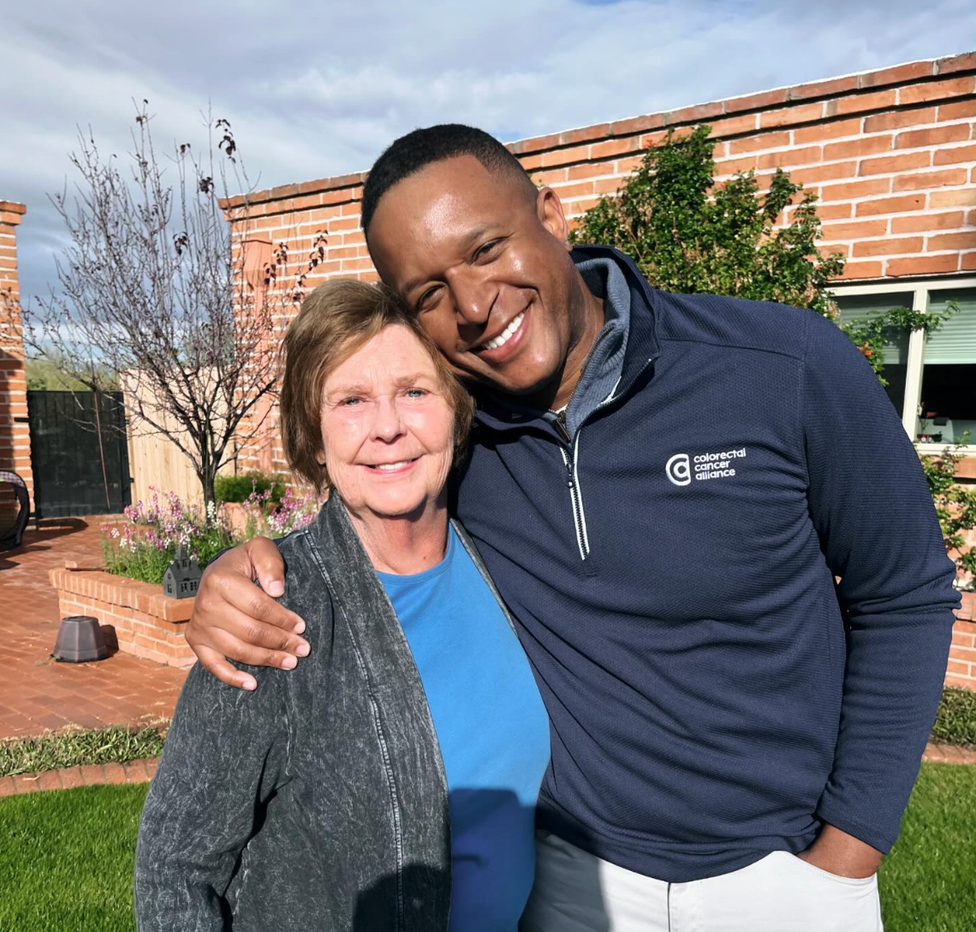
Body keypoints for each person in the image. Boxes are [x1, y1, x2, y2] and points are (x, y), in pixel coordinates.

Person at [186, 125, 959, 931]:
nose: (476, 307)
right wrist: (237, 571)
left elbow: (903, 591)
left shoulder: (781, 367)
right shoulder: (458, 433)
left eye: (487, 248)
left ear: (552, 217)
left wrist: (849, 850)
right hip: (568, 885)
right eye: (429, 294)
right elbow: (367, 507)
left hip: (783, 879)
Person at [134, 279, 550, 932]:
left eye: (415, 391)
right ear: (316, 438)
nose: (388, 427)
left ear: (456, 410)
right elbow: (175, 868)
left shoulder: (503, 554)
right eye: (351, 400)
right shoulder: (276, 614)